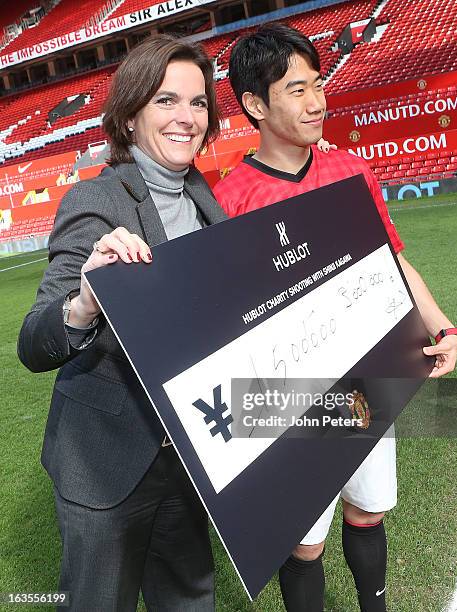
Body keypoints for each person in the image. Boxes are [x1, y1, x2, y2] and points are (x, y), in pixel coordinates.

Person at [213, 23, 457, 612]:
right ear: (254, 104)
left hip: (364, 374)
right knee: (303, 541)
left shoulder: (351, 172)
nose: (317, 100)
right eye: (296, 89)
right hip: (287, 391)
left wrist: (442, 325)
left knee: (369, 509)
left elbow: (393, 261)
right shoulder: (229, 201)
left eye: (318, 84)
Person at [17, 34, 228, 612]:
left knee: (188, 600)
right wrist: (85, 303)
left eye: (199, 102)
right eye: (166, 101)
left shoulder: (206, 197)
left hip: (188, 450)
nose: (187, 117)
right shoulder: (98, 201)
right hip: (108, 460)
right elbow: (34, 344)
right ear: (130, 115)